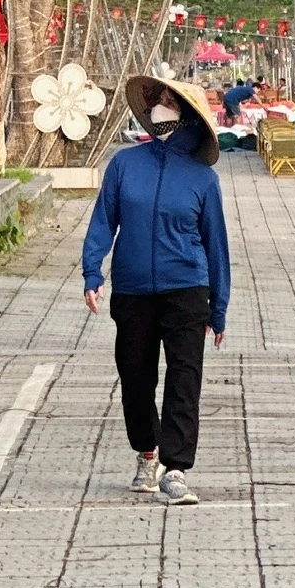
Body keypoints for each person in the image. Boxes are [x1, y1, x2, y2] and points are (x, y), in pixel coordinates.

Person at [81, 72, 230, 506]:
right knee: (135, 377)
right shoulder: (125, 165)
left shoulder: (203, 180)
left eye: (172, 102)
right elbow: (103, 222)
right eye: (160, 100)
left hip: (187, 288)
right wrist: (93, 272)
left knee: (185, 378)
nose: (162, 107)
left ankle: (177, 467)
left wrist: (218, 306)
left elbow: (216, 244)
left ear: (188, 119)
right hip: (132, 290)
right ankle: (148, 453)